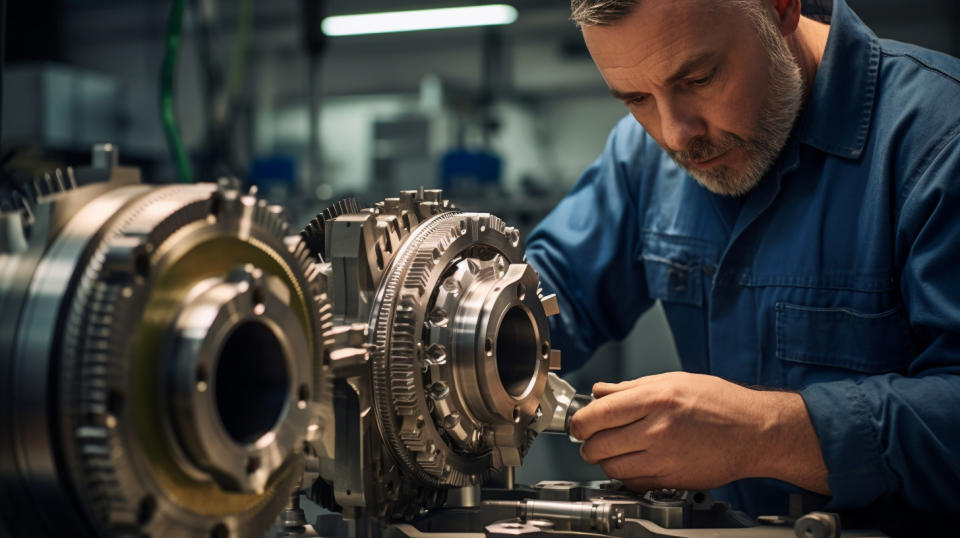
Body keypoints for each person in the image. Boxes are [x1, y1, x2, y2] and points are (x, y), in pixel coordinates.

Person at [523, 0, 960, 529]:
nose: (674, 134)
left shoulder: (939, 140)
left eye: (699, 78)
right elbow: (546, 299)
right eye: (637, 98)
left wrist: (767, 433)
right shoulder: (642, 158)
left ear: (781, 9)